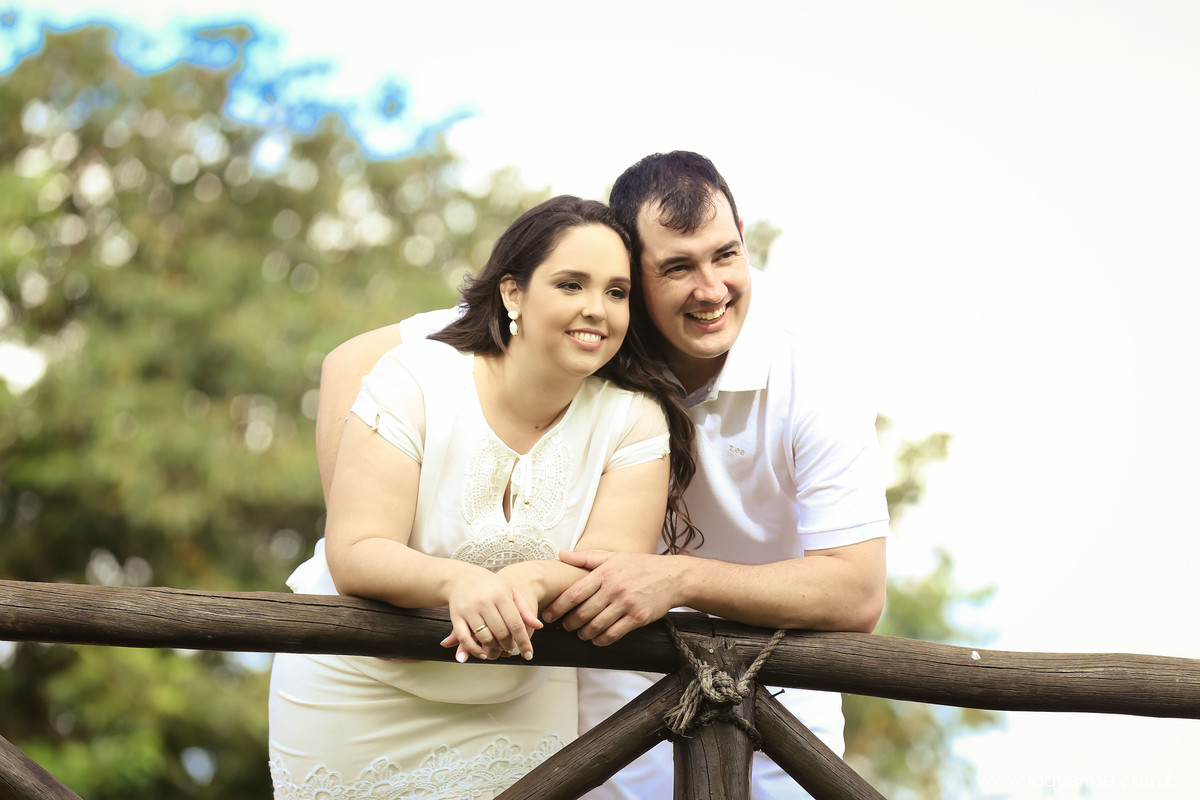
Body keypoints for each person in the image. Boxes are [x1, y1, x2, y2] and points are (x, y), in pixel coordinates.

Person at [315, 152, 890, 799]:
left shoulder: (811, 383)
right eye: (676, 267)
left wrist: (678, 577)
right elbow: (351, 365)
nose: (711, 288)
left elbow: (857, 592)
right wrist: (371, 562)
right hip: (610, 686)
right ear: (634, 272)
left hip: (780, 693)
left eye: (725, 255)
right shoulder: (580, 322)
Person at [268, 195, 697, 799]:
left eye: (617, 292)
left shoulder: (635, 421)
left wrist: (532, 581)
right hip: (357, 687)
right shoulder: (414, 379)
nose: (595, 310)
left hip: (516, 703)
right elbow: (357, 551)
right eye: (571, 284)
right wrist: (458, 583)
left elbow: (607, 569)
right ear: (512, 293)